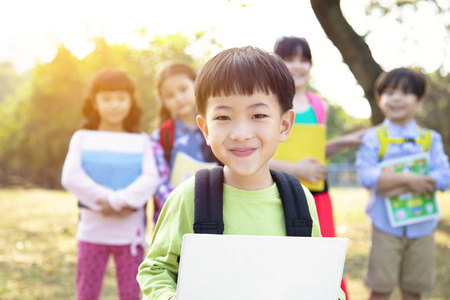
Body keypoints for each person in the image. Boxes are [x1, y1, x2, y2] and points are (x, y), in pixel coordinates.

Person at [137, 46, 346, 300]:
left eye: (258, 115)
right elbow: (156, 269)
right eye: (223, 117)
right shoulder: (189, 197)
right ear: (205, 128)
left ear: (284, 125)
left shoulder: (299, 200)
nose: (240, 133)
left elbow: (317, 276)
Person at [270, 36, 361, 296]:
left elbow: (313, 151)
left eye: (304, 59)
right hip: (279, 193)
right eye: (289, 59)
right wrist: (296, 169)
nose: (297, 66)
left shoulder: (320, 105)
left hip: (318, 195)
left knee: (326, 257)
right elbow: (260, 155)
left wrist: (343, 142)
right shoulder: (268, 102)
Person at [61, 69, 159, 300]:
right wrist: (106, 199)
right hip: (91, 234)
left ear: (131, 101)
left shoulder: (141, 141)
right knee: (86, 293)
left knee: (131, 294)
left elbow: (149, 179)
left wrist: (114, 201)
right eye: (107, 98)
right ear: (94, 102)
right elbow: (71, 176)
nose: (114, 105)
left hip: (130, 237)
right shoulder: (82, 137)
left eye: (121, 98)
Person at [356, 68, 450, 300]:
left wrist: (387, 182)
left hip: (423, 228)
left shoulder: (431, 139)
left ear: (419, 101)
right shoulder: (373, 138)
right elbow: (366, 177)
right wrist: (411, 180)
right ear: (379, 100)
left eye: (406, 92)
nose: (396, 98)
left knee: (413, 291)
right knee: (380, 289)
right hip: (384, 227)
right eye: (389, 92)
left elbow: (444, 177)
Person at [151, 62, 219, 222]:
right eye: (169, 95)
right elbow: (158, 183)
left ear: (196, 85)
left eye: (183, 89)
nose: (178, 98)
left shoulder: (218, 127)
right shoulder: (161, 136)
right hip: (174, 218)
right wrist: (185, 206)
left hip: (215, 217)